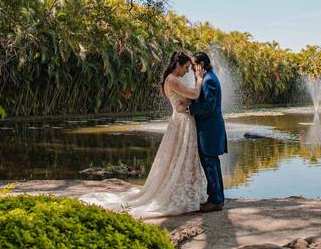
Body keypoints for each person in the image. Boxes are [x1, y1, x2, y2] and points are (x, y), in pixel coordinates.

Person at [79, 51, 206, 218]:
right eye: (186, 67)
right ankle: (180, 192)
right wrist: (199, 78)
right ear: (178, 65)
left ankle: (185, 190)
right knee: (182, 157)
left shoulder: (171, 79)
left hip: (180, 121)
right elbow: (195, 94)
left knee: (179, 158)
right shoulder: (172, 80)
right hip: (182, 122)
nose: (188, 71)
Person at [189, 52, 227, 212]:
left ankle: (216, 201)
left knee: (210, 164)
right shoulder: (208, 77)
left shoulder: (208, 80)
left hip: (209, 129)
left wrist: (190, 109)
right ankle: (216, 198)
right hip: (210, 128)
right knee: (212, 163)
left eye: (193, 65)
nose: (192, 69)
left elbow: (209, 106)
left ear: (201, 65)